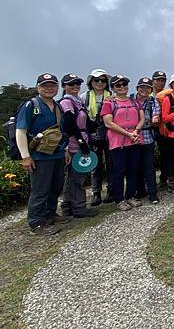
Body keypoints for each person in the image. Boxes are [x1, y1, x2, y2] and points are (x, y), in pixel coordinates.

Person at [16, 73, 71, 235]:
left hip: (57, 154)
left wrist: (66, 150)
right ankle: (36, 223)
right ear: (38, 87)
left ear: (57, 88)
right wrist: (25, 156)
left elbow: (61, 132)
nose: (49, 88)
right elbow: (21, 131)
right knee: (40, 190)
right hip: (39, 156)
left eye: (52, 85)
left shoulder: (57, 106)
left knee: (55, 186)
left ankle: (50, 214)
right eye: (44, 85)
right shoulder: (30, 105)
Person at [101, 75, 145, 211]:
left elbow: (142, 118)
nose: (122, 87)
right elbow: (108, 122)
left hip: (134, 139)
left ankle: (130, 195)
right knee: (119, 170)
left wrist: (136, 131)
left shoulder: (135, 102)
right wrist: (128, 134)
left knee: (133, 168)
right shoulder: (108, 103)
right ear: (113, 88)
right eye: (118, 85)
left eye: (124, 84)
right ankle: (119, 198)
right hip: (118, 140)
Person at [59, 74, 98, 218]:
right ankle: (79, 208)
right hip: (74, 144)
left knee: (72, 177)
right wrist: (82, 144)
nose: (75, 86)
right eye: (71, 84)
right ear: (64, 86)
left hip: (79, 141)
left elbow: (86, 123)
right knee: (78, 178)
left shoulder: (77, 102)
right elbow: (70, 125)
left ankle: (67, 207)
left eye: (77, 84)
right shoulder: (67, 103)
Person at [82, 68, 113, 206]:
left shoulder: (112, 95)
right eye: (97, 80)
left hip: (110, 133)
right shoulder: (84, 97)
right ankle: (96, 193)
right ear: (91, 81)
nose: (100, 82)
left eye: (103, 80)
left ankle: (111, 190)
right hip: (93, 134)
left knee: (112, 163)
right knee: (96, 164)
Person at [132, 77, 160, 204]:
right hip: (132, 137)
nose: (144, 90)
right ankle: (139, 190)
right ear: (137, 88)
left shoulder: (153, 101)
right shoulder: (130, 99)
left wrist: (155, 118)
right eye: (142, 87)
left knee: (149, 166)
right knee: (135, 165)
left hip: (148, 136)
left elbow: (156, 113)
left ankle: (153, 193)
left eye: (147, 88)